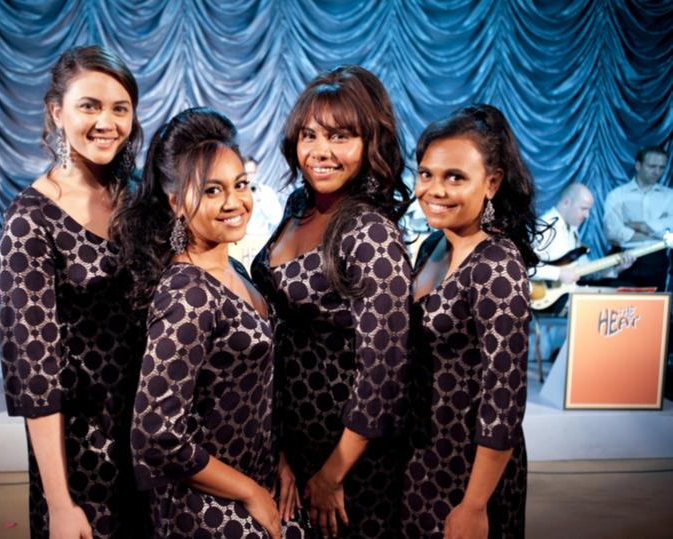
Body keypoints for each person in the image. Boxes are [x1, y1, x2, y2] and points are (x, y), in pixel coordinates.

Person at [121, 108, 304, 538]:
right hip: (204, 508)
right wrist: (249, 493)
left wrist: (279, 461)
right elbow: (156, 433)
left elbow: (247, 389)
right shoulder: (187, 291)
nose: (234, 202)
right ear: (175, 203)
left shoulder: (235, 269)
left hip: (253, 480)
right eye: (211, 191)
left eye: (240, 185)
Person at [251, 65, 412, 538]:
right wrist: (278, 448)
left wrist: (333, 473)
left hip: (348, 459)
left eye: (340, 136)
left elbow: (384, 371)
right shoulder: (298, 205)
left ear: (370, 143)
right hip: (289, 440)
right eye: (309, 135)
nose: (320, 152)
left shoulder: (371, 232)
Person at [0, 45, 148, 538]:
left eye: (119, 108)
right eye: (90, 105)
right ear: (56, 111)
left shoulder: (141, 196)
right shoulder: (29, 221)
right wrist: (60, 502)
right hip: (84, 457)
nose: (107, 121)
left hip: (159, 436)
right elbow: (34, 370)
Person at [405, 104, 533, 538]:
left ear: (492, 183)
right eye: (426, 174)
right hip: (423, 454)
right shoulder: (432, 247)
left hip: (469, 469)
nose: (434, 190)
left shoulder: (497, 266)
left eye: (454, 177)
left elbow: (505, 398)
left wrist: (475, 504)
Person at [533, 182, 633, 285]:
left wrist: (616, 269)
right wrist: (558, 274)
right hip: (547, 297)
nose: (587, 215)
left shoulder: (572, 229)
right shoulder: (544, 227)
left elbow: (590, 273)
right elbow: (525, 267)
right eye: (583, 208)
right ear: (566, 202)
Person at [604, 146, 672, 291]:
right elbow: (612, 233)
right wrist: (658, 231)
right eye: (652, 166)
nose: (657, 172)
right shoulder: (616, 195)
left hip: (655, 261)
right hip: (622, 258)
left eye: (662, 167)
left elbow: (672, 234)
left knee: (653, 310)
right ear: (638, 165)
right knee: (621, 309)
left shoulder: (670, 196)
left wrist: (640, 226)